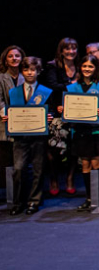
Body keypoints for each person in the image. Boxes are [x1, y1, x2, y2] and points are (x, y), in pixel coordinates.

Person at [61, 55, 99, 212]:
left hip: (97, 131)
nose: (87, 69)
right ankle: (89, 198)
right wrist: (63, 111)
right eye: (84, 66)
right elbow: (68, 110)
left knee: (96, 163)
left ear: (96, 69)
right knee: (84, 164)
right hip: (80, 132)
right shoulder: (72, 88)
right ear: (80, 68)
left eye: (90, 67)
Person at [4, 57, 54, 215]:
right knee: (19, 169)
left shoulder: (45, 92)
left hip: (39, 136)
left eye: (33, 70)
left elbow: (50, 110)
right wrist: (8, 116)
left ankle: (34, 201)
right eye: (26, 70)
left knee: (38, 170)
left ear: (38, 71)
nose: (29, 73)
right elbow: (11, 110)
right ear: (22, 71)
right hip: (20, 137)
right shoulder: (14, 92)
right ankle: (18, 202)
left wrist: (49, 116)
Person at [41, 37, 80, 196]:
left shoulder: (79, 65)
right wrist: (72, 84)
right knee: (54, 150)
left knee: (73, 149)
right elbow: (52, 87)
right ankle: (54, 179)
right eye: (67, 48)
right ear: (61, 50)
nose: (71, 52)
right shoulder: (53, 66)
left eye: (74, 48)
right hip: (57, 112)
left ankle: (70, 178)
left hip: (77, 112)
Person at [0, 45, 26, 179]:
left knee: (21, 161)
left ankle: (19, 193)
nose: (14, 58)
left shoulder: (27, 76)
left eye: (17, 56)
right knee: (6, 160)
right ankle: (8, 194)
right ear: (5, 60)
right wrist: (6, 113)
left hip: (24, 124)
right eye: (10, 56)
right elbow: (0, 100)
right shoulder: (1, 78)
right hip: (6, 123)